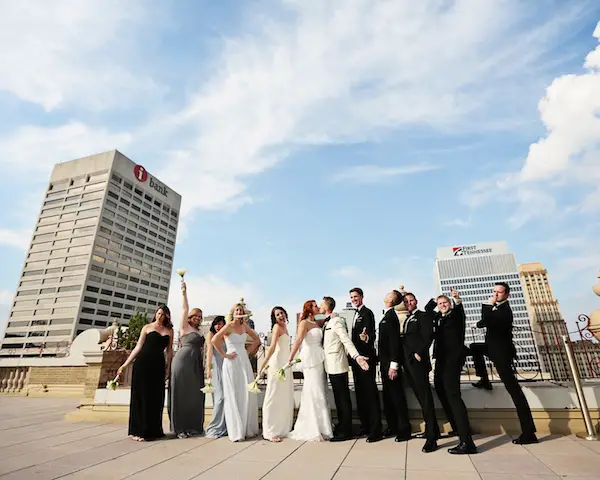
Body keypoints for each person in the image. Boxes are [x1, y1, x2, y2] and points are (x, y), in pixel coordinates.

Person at [469, 282, 538, 445]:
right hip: (492, 348)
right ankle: (484, 380)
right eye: (494, 292)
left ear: (507, 295)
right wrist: (477, 324)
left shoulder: (505, 311)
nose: (495, 295)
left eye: (499, 292)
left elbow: (488, 319)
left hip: (501, 353)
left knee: (514, 391)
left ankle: (528, 432)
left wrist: (487, 304)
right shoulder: (499, 309)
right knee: (474, 347)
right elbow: (487, 322)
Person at [427, 288, 477, 454]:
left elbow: (460, 312)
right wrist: (435, 301)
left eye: (445, 303)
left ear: (450, 304)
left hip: (452, 360)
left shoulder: (455, 316)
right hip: (441, 360)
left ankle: (467, 442)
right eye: (440, 304)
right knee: (440, 389)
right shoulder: (437, 318)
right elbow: (428, 311)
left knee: (453, 396)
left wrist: (456, 299)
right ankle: (457, 428)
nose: (442, 305)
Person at [118, 305, 174, 442]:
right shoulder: (147, 328)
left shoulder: (170, 331)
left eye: (164, 314)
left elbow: (170, 351)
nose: (160, 316)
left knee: (156, 397)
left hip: (158, 365)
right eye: (159, 313)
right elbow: (138, 346)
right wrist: (126, 364)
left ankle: (153, 430)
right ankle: (138, 430)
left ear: (167, 316)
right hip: (143, 363)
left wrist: (168, 368)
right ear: (156, 314)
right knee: (141, 396)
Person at [320, 296, 369, 442]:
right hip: (330, 366)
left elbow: (346, 340)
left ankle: (346, 431)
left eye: (321, 304)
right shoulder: (327, 321)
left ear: (327, 306)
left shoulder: (336, 321)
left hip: (338, 365)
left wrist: (356, 356)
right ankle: (342, 426)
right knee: (338, 398)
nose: (319, 307)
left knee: (342, 399)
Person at [212, 302, 261, 442]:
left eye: (241, 310)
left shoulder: (245, 326)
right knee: (233, 394)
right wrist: (225, 355)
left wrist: (247, 352)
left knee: (245, 393)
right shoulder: (228, 326)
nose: (239, 312)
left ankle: (246, 428)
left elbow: (257, 340)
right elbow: (215, 340)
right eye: (237, 310)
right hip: (231, 362)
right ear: (233, 313)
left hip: (244, 362)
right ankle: (236, 430)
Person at [288, 300, 333, 441]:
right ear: (308, 309)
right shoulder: (304, 323)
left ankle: (323, 426)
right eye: (315, 306)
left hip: (319, 358)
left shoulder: (317, 322)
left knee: (320, 389)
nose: (318, 307)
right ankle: (312, 426)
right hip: (310, 359)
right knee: (313, 390)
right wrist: (290, 358)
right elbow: (298, 340)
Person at [401, 292, 439, 453]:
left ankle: (432, 438)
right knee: (421, 399)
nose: (409, 303)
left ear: (416, 301)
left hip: (418, 362)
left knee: (425, 398)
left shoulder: (423, 316)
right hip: (408, 362)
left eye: (411, 300)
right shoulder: (408, 317)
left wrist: (419, 353)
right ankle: (432, 430)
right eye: (406, 301)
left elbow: (427, 336)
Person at [168, 279, 205, 438]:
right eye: (195, 315)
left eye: (200, 316)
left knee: (195, 395)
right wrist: (184, 291)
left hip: (196, 364)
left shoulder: (201, 331)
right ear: (190, 316)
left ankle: (193, 426)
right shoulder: (184, 326)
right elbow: (184, 307)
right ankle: (180, 428)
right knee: (181, 394)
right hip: (182, 361)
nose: (197, 317)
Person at [349, 287, 383, 442]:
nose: (354, 299)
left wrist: (366, 338)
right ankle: (365, 426)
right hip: (357, 360)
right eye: (352, 297)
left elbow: (371, 334)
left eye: (356, 296)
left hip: (367, 360)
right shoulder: (354, 315)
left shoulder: (367, 313)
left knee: (370, 394)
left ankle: (376, 430)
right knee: (361, 394)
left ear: (362, 297)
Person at [378, 290, 412, 442]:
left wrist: (394, 365)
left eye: (388, 294)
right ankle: (392, 426)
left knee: (397, 396)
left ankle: (404, 429)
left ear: (391, 299)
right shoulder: (386, 315)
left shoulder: (392, 317)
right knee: (388, 397)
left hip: (390, 364)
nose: (386, 295)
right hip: (384, 363)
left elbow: (394, 341)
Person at [258, 306, 294, 442]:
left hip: (285, 364)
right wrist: (263, 364)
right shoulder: (276, 328)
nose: (280, 316)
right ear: (274, 317)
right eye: (277, 314)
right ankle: (269, 431)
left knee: (284, 396)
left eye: (282, 313)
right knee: (273, 395)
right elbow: (272, 347)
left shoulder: (286, 327)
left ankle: (282, 428)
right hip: (277, 363)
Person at [204, 315, 228, 438]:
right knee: (220, 398)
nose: (218, 326)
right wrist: (208, 368)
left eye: (221, 324)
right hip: (215, 367)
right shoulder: (211, 335)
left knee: (226, 396)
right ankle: (214, 427)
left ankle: (224, 426)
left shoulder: (226, 335)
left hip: (226, 367)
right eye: (217, 324)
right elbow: (209, 351)